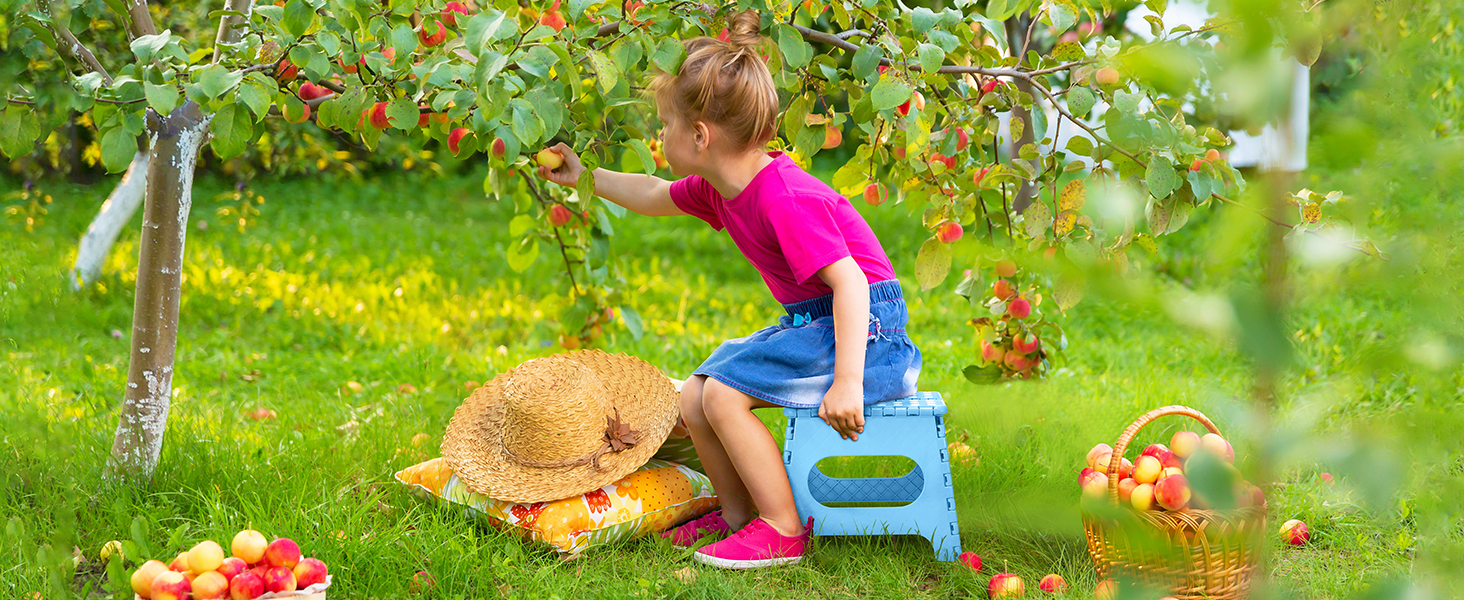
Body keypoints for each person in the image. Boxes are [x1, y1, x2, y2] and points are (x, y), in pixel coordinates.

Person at [534, 10, 921, 569]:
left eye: (664, 124)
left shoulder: (783, 197)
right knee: (694, 395)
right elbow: (653, 191)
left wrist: (847, 383)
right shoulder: (722, 187)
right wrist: (584, 177)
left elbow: (853, 284)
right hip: (818, 322)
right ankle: (741, 518)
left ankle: (783, 529)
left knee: (722, 395)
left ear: (699, 135)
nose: (658, 135)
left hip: (866, 333)